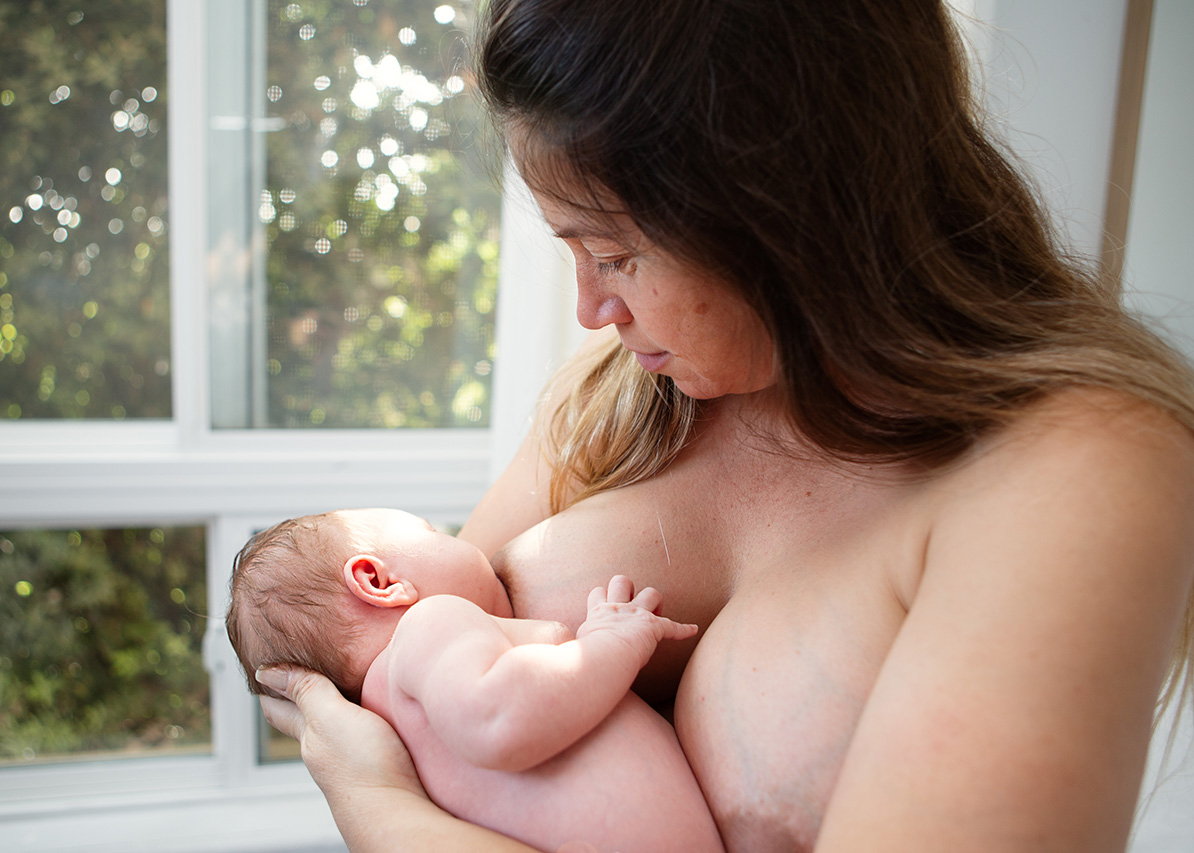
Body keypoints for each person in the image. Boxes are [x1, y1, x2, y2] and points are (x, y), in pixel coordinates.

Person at [255, 1, 1194, 850]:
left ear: (783, 209)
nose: (591, 308)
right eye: (574, 252)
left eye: (616, 252)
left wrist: (369, 799)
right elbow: (380, 666)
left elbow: (374, 752)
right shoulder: (621, 396)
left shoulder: (1076, 474)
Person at [226, 507, 724, 853]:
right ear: (378, 582)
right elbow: (500, 718)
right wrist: (612, 642)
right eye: (433, 532)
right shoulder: (427, 625)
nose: (461, 538)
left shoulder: (394, 723)